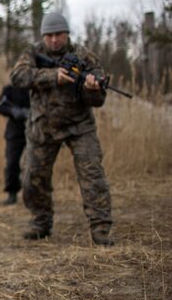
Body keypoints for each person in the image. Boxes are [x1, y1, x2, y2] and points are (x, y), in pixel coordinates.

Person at [10, 12, 114, 246]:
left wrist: (92, 88)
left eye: (58, 34)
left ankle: (100, 228)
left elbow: (98, 101)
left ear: (67, 34)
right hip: (43, 127)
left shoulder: (84, 56)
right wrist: (52, 76)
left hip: (79, 127)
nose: (54, 40)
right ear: (43, 37)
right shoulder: (33, 53)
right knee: (32, 176)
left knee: (92, 175)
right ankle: (41, 222)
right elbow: (17, 76)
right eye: (49, 35)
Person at [0, 85, 30, 205]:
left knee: (35, 165)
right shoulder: (10, 89)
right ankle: (12, 193)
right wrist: (13, 111)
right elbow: (0, 106)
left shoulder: (36, 86)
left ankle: (34, 195)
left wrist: (30, 113)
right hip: (15, 131)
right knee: (12, 163)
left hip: (35, 130)